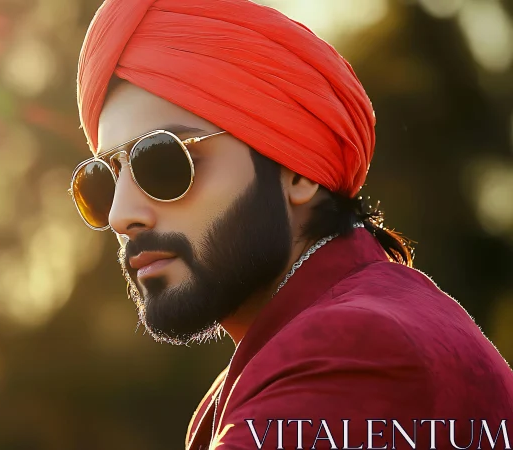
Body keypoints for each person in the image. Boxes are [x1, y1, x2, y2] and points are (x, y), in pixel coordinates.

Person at [70, 0, 513, 449]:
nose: (120, 215)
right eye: (102, 180)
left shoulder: (356, 351)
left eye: (162, 161)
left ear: (297, 171)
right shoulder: (249, 383)